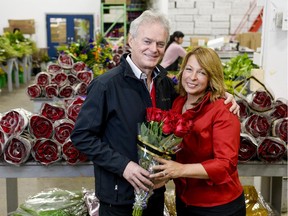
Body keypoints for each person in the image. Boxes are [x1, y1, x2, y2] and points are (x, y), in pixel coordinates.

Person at [71, 10, 239, 216]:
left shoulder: (165, 84)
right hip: (119, 197)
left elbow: (196, 91)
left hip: (155, 194)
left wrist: (225, 94)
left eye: (160, 44)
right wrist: (124, 166)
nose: (154, 49)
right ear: (131, 41)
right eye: (147, 41)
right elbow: (82, 136)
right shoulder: (106, 85)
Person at [150, 47, 246, 216]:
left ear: (211, 77)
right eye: (189, 69)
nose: (192, 77)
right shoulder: (178, 103)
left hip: (218, 206)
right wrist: (166, 173)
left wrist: (179, 170)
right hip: (185, 201)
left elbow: (225, 164)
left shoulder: (223, 110)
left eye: (202, 72)